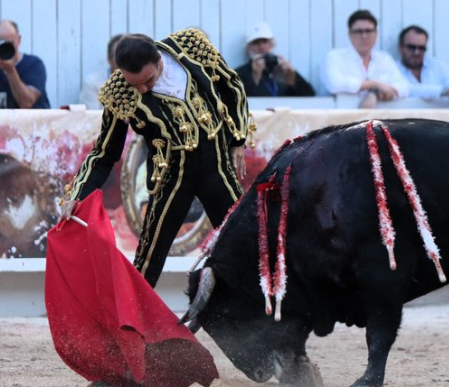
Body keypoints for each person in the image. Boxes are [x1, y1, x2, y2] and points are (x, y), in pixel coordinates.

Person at [61, 30, 251, 287]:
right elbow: (104, 153)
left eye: (148, 81)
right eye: (133, 84)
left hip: (216, 167)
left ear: (160, 60)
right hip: (172, 179)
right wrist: (78, 193)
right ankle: (132, 321)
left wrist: (238, 139)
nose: (141, 89)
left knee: (245, 240)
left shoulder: (190, 47)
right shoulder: (119, 92)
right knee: (149, 258)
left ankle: (256, 312)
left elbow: (232, 85)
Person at [321, 9, 409, 108]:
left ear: (376, 33)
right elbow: (335, 85)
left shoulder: (384, 59)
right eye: (358, 31)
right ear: (350, 33)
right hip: (339, 117)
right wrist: (375, 84)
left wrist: (375, 94)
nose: (364, 36)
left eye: (368, 31)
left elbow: (404, 87)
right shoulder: (335, 57)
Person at [234, 21, 315, 97]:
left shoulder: (282, 69)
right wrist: (255, 77)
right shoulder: (239, 74)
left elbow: (310, 95)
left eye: (264, 41)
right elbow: (238, 103)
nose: (261, 47)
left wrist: (292, 78)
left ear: (271, 44)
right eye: (256, 43)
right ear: (248, 48)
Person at [396, 25, 449, 104]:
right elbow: (407, 89)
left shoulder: (438, 66)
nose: (416, 52)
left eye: (421, 48)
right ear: (400, 47)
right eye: (411, 47)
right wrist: (444, 92)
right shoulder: (392, 68)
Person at [79, 34, 125, 109]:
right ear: (109, 59)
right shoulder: (93, 82)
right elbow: (91, 117)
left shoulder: (143, 81)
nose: (125, 60)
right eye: (119, 56)